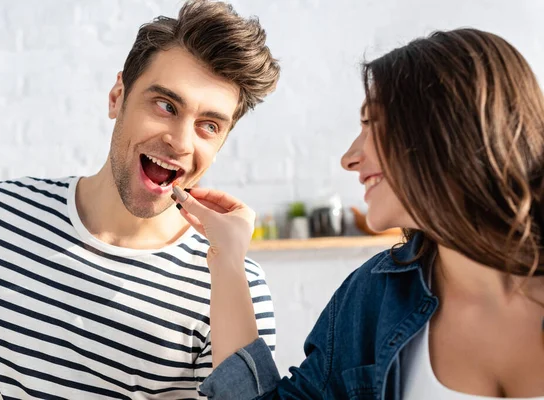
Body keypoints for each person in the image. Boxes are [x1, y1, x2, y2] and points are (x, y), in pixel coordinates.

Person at [172, 28, 544, 399]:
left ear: (447, 128)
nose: (349, 158)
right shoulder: (373, 297)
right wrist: (228, 259)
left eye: (371, 124)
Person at [0, 1, 280, 398]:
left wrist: (228, 266)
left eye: (209, 125)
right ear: (117, 96)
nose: (181, 142)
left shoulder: (235, 285)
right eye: (166, 105)